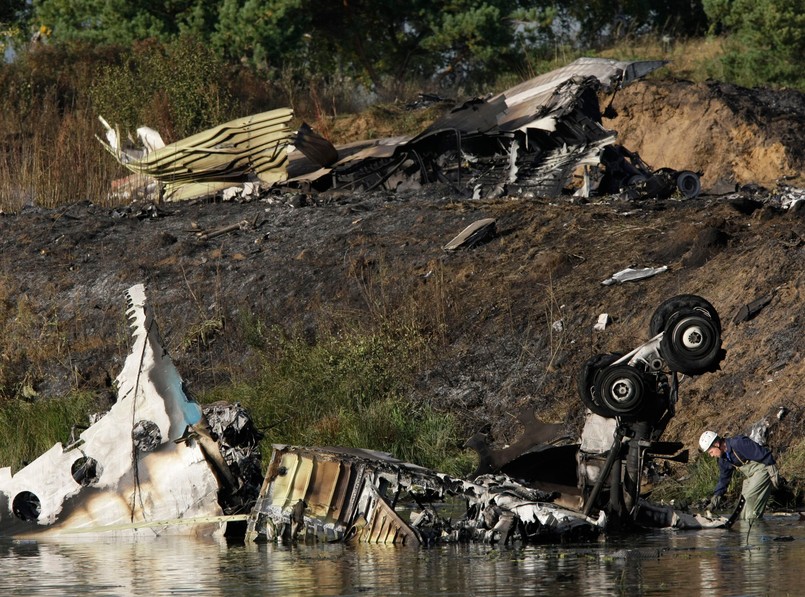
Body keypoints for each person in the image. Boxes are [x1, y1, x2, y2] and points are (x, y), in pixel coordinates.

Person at [699, 430, 779, 521]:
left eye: (711, 452)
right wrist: (714, 502)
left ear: (716, 444)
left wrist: (773, 471)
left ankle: (755, 528)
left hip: (763, 470)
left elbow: (763, 453)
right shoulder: (723, 460)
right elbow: (723, 480)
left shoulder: (738, 443)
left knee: (750, 498)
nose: (712, 456)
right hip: (751, 476)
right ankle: (747, 530)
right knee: (743, 513)